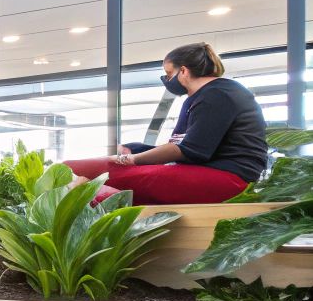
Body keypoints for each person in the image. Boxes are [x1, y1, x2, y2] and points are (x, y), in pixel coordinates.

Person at [63, 42, 268, 204]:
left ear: (184, 71)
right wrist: (135, 149)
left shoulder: (218, 95)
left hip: (228, 179)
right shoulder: (203, 96)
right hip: (210, 171)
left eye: (169, 74)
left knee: (80, 172)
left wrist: (134, 159)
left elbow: (192, 150)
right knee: (74, 169)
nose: (167, 79)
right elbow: (187, 146)